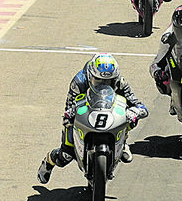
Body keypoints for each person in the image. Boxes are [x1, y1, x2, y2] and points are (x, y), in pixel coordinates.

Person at [37, 54, 148, 183]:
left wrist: (134, 112)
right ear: (91, 76)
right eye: (99, 81)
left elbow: (138, 104)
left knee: (131, 119)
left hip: (110, 115)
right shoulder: (79, 82)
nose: (104, 85)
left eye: (108, 82)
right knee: (66, 154)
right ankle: (49, 161)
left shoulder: (120, 82)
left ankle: (122, 143)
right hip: (86, 113)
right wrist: (70, 116)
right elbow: (68, 107)